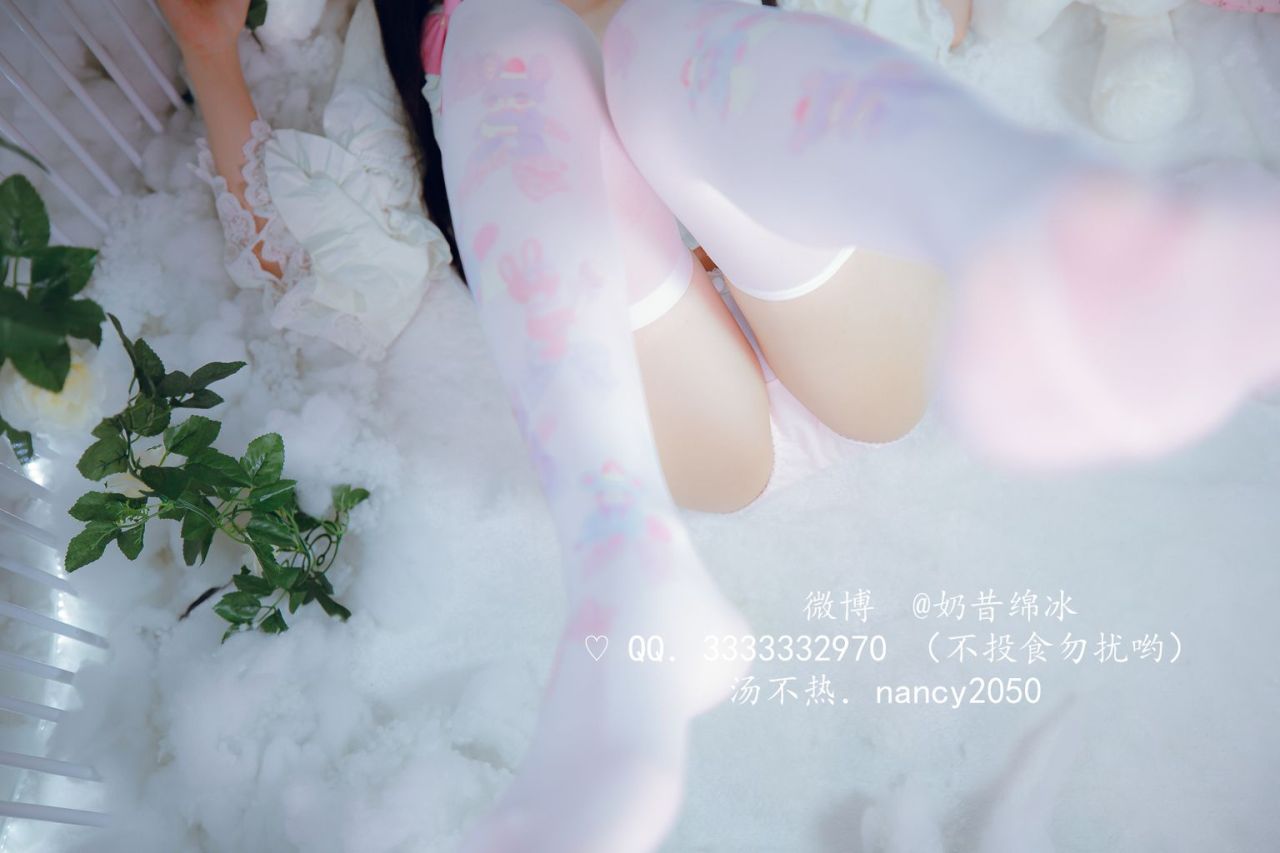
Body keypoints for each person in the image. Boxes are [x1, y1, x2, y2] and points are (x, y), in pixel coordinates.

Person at [160, 0, 1279, 850]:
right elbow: (323, 259)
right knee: (516, 37)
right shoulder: (407, 26)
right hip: (648, 387)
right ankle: (625, 566)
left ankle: (1047, 223)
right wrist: (208, 51)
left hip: (828, 287)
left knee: (653, 38)